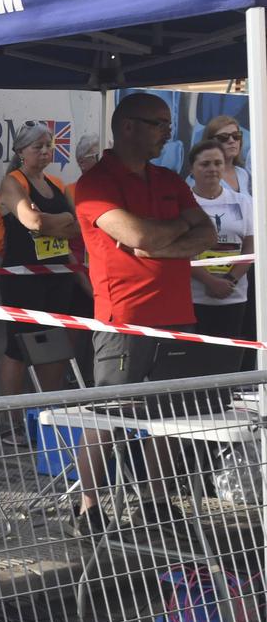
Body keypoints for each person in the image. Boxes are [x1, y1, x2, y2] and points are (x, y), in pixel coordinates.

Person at [70, 94, 216, 533]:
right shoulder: (97, 183)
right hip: (125, 317)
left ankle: (152, 500)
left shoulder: (168, 179)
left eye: (168, 123)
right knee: (108, 417)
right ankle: (88, 506)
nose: (167, 132)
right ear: (128, 126)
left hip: (176, 313)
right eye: (159, 123)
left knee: (169, 417)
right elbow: (136, 233)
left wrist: (157, 241)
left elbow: (206, 232)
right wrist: (167, 235)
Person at [0, 121, 89, 395]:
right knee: (19, 347)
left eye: (49, 146)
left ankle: (48, 412)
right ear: (22, 151)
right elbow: (32, 221)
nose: (45, 152)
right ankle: (12, 423)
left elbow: (76, 227)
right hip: (23, 278)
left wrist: (57, 221)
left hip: (58, 276)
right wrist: (61, 220)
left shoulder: (55, 183)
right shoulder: (13, 182)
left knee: (55, 346)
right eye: (38, 147)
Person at [184, 138, 254, 348]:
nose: (212, 169)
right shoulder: (185, 202)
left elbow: (251, 244)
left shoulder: (242, 201)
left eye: (218, 163)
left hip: (234, 296)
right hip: (195, 297)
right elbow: (180, 248)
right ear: (192, 169)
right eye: (205, 164)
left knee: (229, 359)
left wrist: (230, 280)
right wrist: (210, 282)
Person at [205, 114, 251, 197]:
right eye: (223, 137)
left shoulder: (242, 174)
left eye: (236, 136)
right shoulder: (201, 176)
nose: (232, 141)